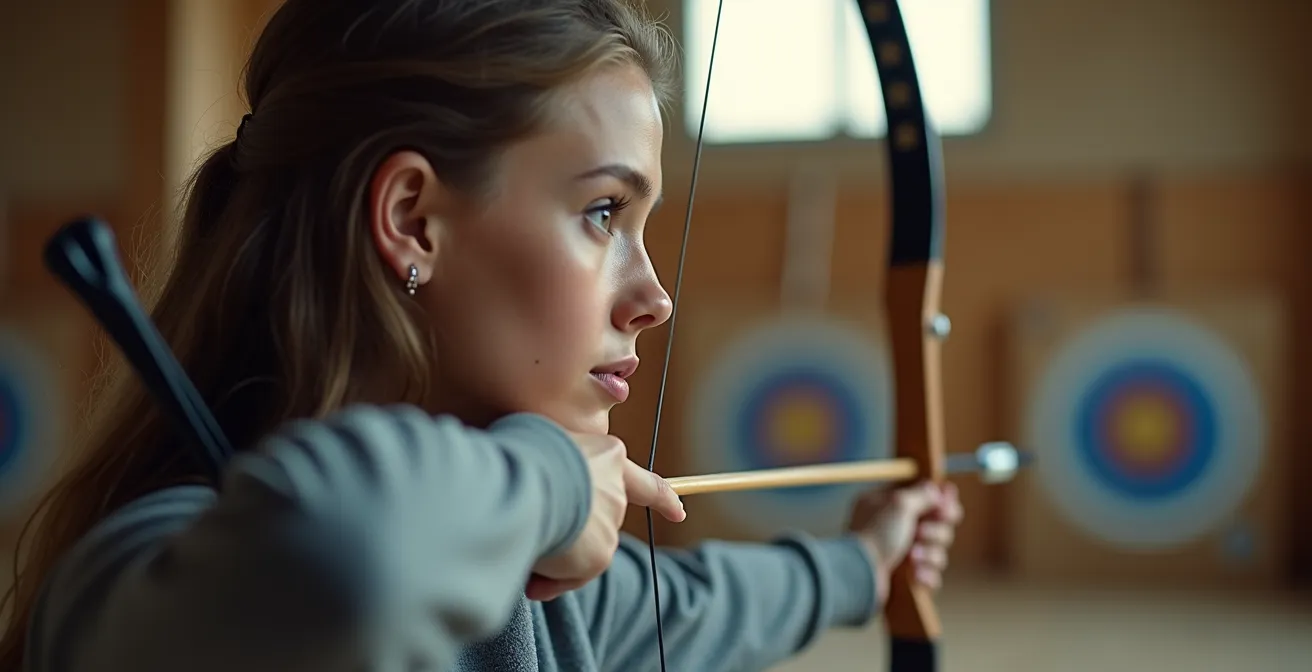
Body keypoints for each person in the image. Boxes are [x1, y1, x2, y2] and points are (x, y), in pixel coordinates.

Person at [0, 1, 964, 670]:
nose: (655, 297)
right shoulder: (149, 580)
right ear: (414, 220)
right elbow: (341, 559)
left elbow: (701, 605)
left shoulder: (526, 581)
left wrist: (869, 560)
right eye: (603, 212)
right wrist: (554, 479)